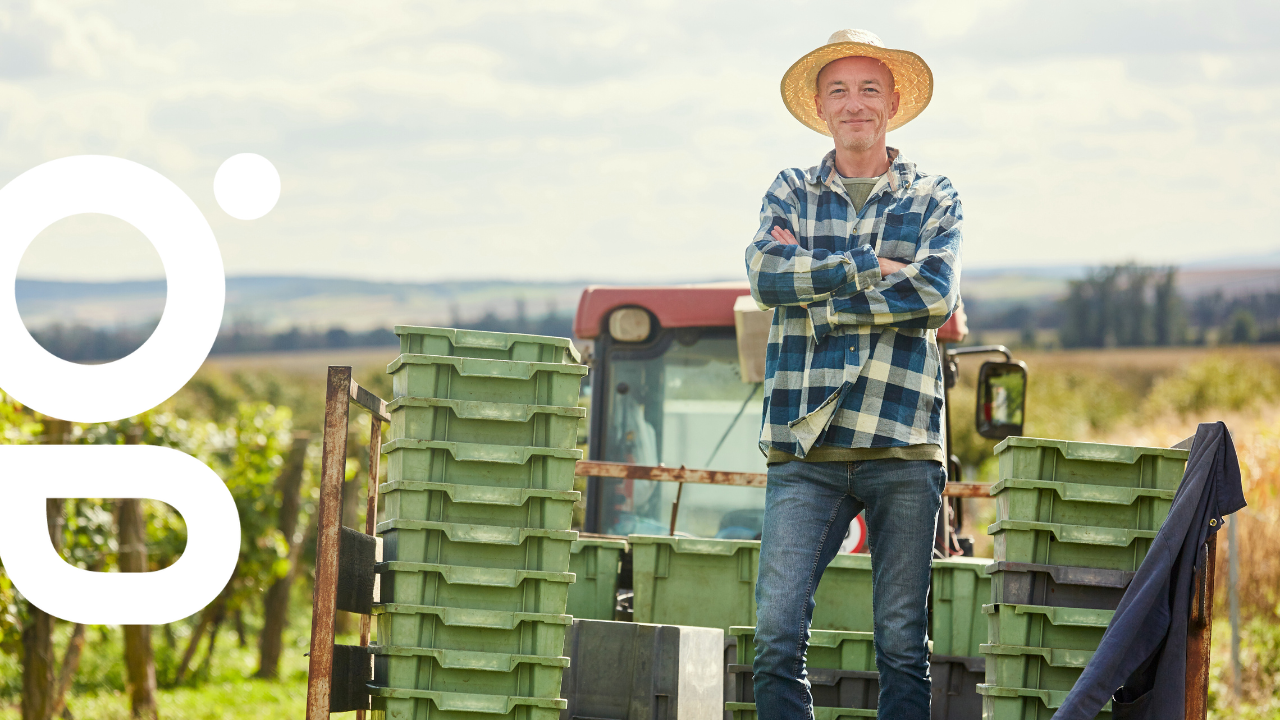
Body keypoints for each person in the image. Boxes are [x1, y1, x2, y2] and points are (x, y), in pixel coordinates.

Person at [744, 28, 963, 720]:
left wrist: (825, 299)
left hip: (901, 444)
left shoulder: (934, 194)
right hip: (805, 447)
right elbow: (765, 278)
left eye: (869, 88)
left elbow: (934, 295)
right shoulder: (789, 189)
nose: (855, 103)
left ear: (894, 101)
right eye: (840, 89)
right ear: (820, 105)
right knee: (777, 639)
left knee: (902, 646)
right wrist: (872, 267)